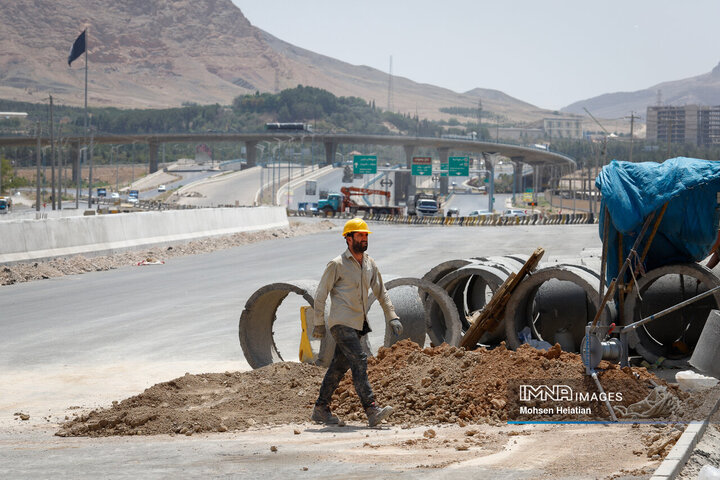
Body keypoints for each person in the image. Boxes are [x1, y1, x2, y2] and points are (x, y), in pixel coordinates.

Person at [311, 217, 403, 427]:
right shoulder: (337, 264)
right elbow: (320, 294)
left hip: (358, 323)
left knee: (338, 367)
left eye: (365, 235)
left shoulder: (370, 264)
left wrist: (392, 316)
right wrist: (318, 323)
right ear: (348, 238)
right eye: (359, 235)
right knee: (360, 361)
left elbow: (381, 292)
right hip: (341, 323)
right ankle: (371, 410)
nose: (364, 239)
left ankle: (320, 408)